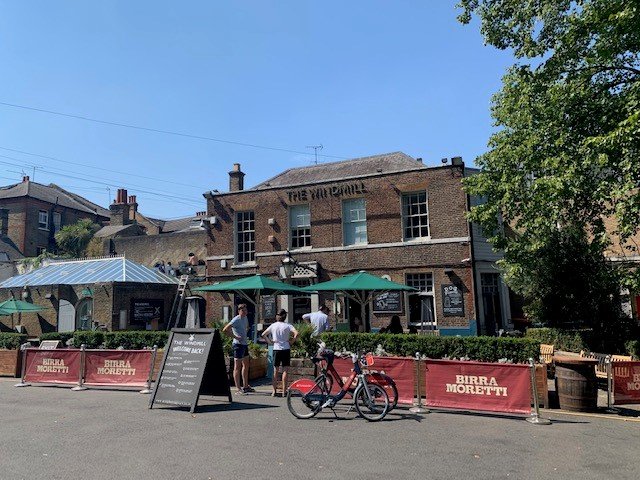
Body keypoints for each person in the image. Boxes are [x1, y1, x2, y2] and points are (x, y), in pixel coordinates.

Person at [261, 309, 298, 397]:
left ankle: (274, 391)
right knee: (285, 370)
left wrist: (269, 342)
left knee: (275, 370)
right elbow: (296, 333)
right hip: (286, 348)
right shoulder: (288, 325)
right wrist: (292, 341)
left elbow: (263, 334)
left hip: (276, 348)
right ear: (285, 316)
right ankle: (284, 391)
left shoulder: (273, 325)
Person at [223, 304, 254, 394]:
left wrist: (245, 332)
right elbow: (225, 329)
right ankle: (238, 388)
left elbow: (247, 327)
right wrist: (235, 337)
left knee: (246, 365)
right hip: (237, 345)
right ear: (239, 311)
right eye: (243, 310)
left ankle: (245, 386)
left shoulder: (246, 318)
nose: (245, 312)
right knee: (237, 367)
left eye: (246, 310)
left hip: (244, 344)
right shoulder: (236, 319)